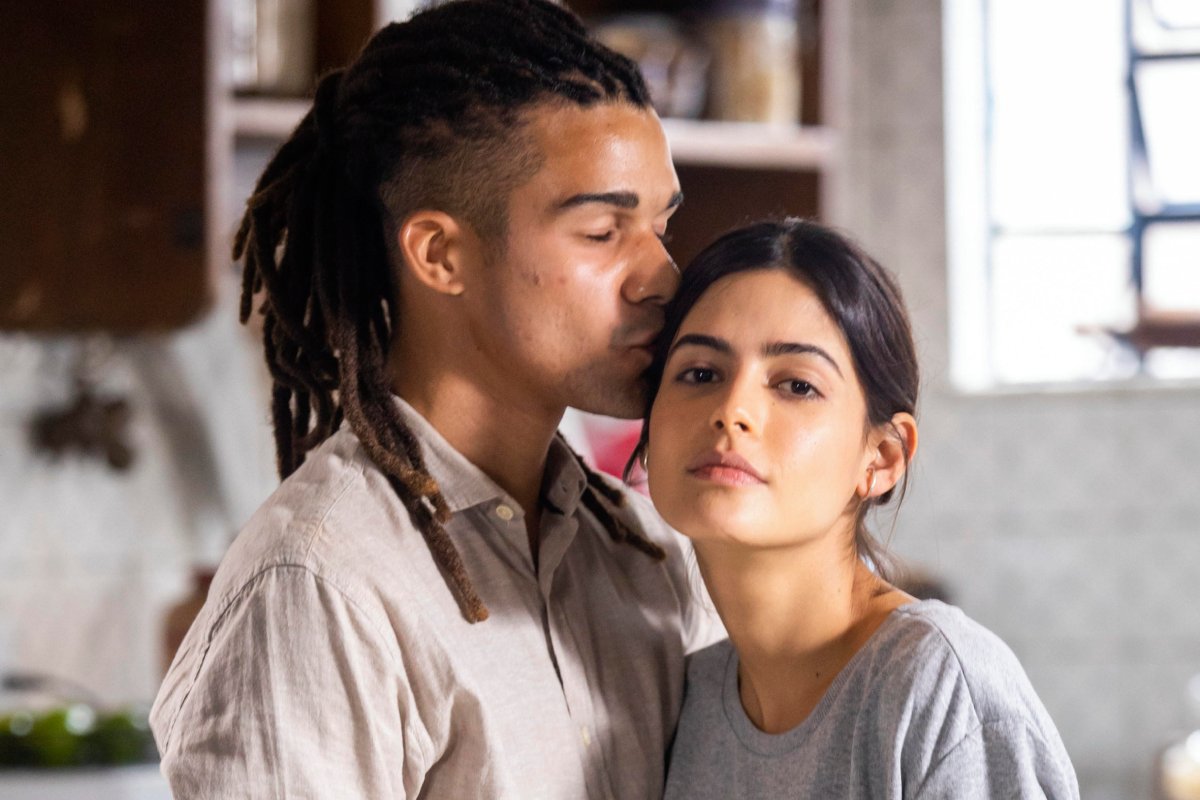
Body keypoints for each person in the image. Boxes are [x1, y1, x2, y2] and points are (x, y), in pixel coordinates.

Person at [149, 2, 719, 797]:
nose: (661, 274)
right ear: (440, 254)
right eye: (601, 231)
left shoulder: (651, 559)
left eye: (660, 225)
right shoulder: (317, 585)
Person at [630, 219, 1079, 799]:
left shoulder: (939, 688)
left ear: (883, 457)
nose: (732, 409)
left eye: (796, 385)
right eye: (700, 373)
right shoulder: (691, 701)